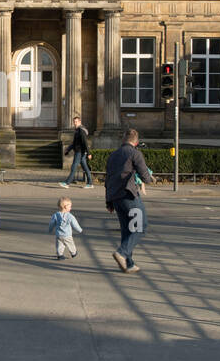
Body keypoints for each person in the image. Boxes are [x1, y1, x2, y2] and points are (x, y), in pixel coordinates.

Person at [104, 128, 153, 273]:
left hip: (116, 197)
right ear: (136, 142)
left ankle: (129, 263)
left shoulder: (113, 155)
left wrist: (109, 201)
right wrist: (150, 178)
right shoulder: (135, 153)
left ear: (123, 140)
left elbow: (108, 179)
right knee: (140, 226)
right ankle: (122, 253)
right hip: (129, 195)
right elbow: (145, 177)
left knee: (127, 230)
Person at [60, 115, 93, 188]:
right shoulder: (77, 131)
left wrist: (89, 153)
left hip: (80, 152)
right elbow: (74, 143)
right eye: (74, 122)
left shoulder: (81, 130)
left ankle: (67, 183)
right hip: (79, 151)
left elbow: (85, 142)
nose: (75, 123)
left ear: (80, 122)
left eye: (76, 122)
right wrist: (68, 150)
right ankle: (90, 183)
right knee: (85, 167)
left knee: (74, 167)